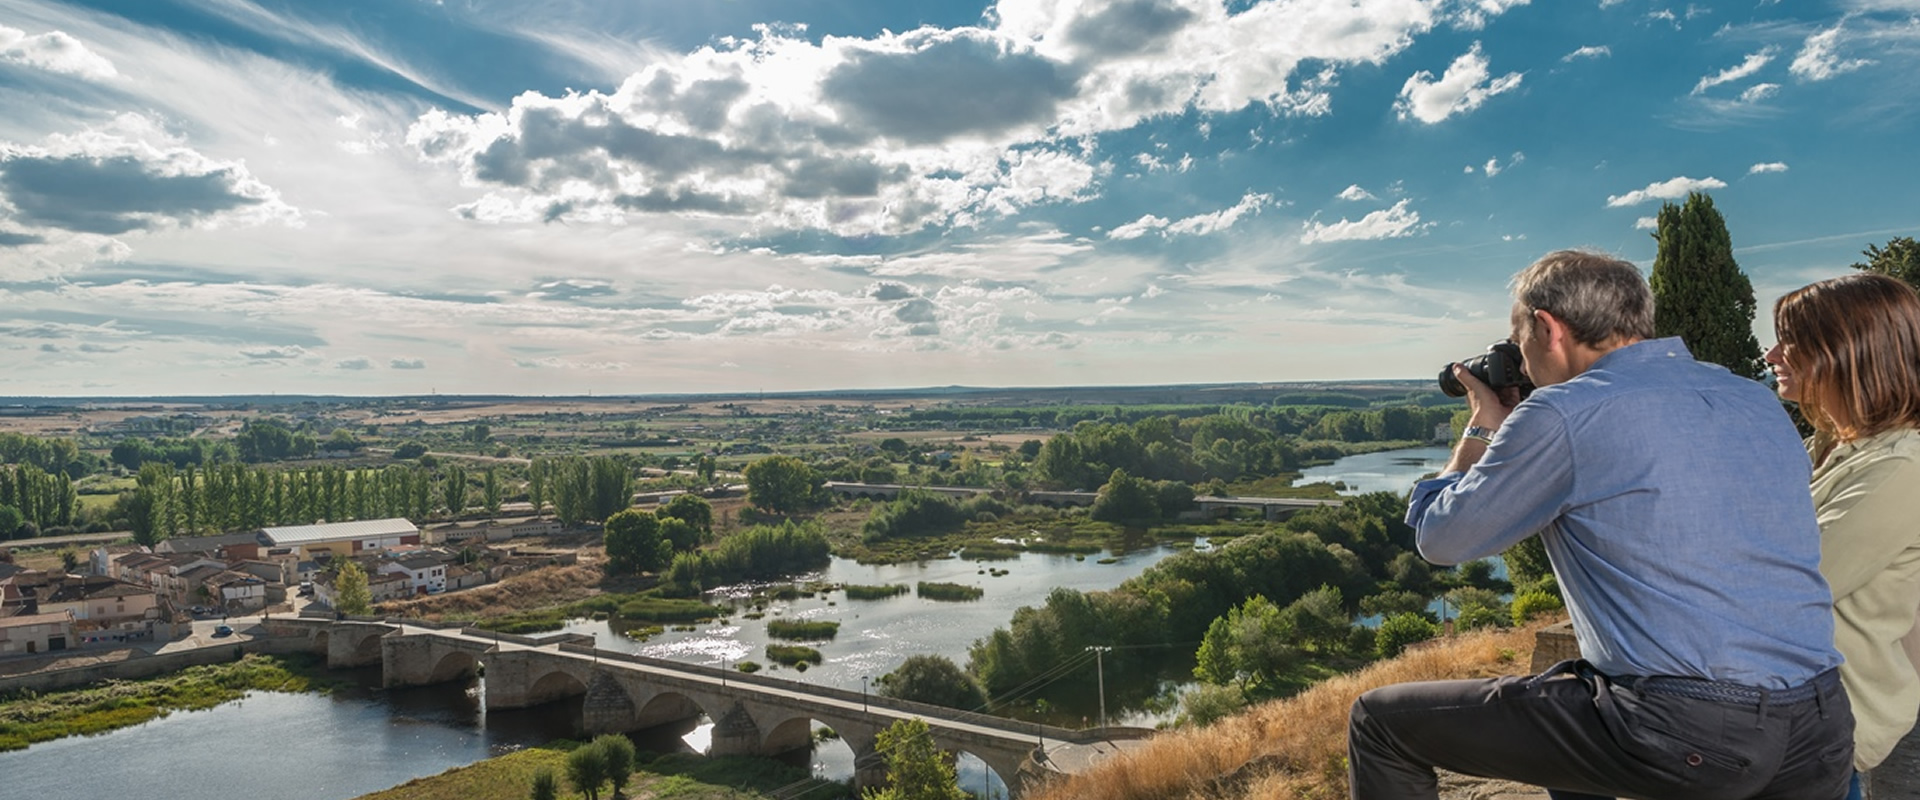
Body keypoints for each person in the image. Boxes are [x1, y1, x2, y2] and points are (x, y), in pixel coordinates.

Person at [1346, 249, 1854, 800]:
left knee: (1380, 723)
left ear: (1547, 327)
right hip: (1818, 721)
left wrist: (1485, 429)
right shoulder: (1752, 398)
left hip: (1687, 731)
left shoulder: (1564, 412)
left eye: (1522, 343)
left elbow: (1442, 539)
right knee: (1570, 707)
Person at [1766, 273, 1920, 799]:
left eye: (1792, 342)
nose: (1772, 355)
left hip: (1822, 736)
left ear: (1850, 350)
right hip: (1788, 722)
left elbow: (1791, 585)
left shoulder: (1902, 466)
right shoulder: (1830, 444)